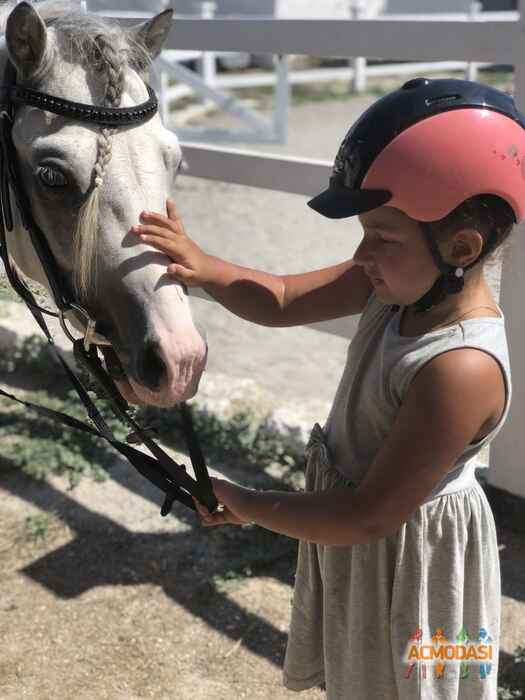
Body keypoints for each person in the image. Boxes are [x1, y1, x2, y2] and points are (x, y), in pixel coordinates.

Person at [132, 77, 523, 699]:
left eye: (382, 236)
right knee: (360, 675)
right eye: (365, 232)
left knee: (418, 683)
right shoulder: (393, 281)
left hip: (418, 564)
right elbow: (282, 299)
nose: (362, 252)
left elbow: (368, 514)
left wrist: (246, 500)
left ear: (461, 246)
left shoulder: (459, 369)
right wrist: (201, 267)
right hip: (361, 541)